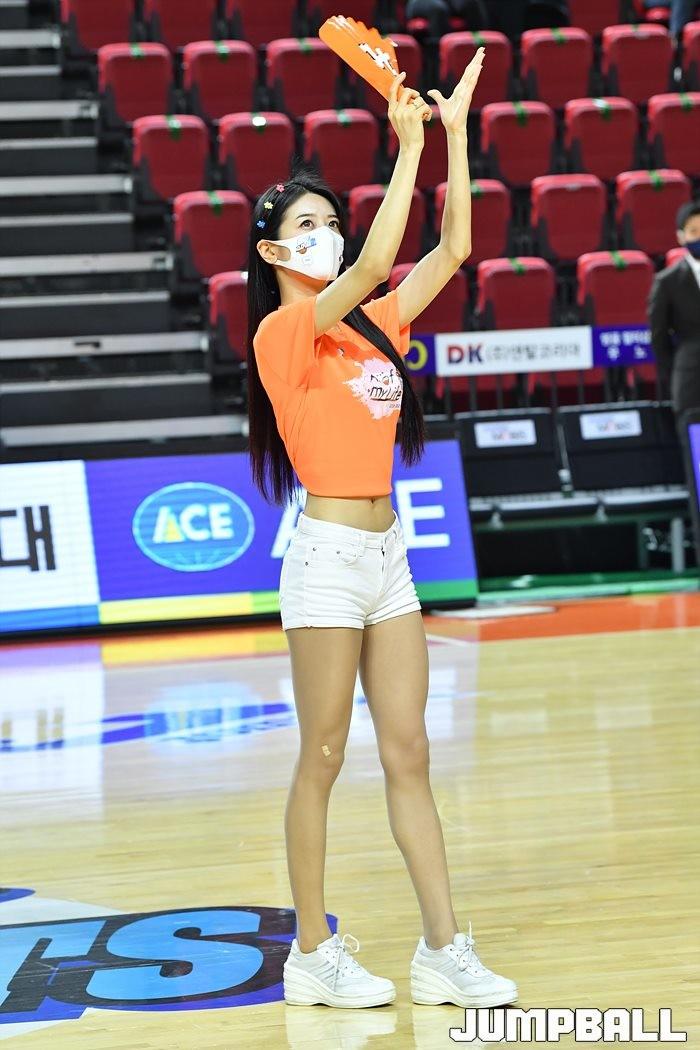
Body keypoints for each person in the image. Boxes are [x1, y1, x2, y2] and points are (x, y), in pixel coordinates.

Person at [246, 51, 518, 1011]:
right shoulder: (282, 335)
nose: (324, 236)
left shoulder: (373, 326)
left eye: (329, 220)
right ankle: (311, 952)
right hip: (325, 561)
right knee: (322, 757)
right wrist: (403, 147)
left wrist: (453, 137)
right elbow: (370, 263)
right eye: (306, 227)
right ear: (274, 254)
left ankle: (443, 949)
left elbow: (453, 248)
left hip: (388, 558)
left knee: (411, 752)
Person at [648, 201, 700, 438]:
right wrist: (680, 365)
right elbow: (658, 337)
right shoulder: (667, 282)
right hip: (691, 383)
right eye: (694, 231)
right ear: (681, 237)